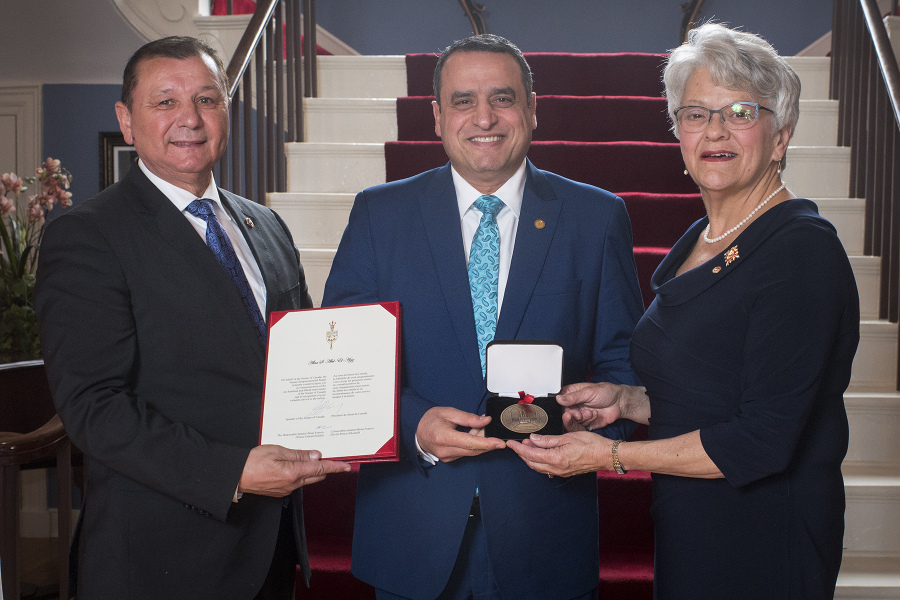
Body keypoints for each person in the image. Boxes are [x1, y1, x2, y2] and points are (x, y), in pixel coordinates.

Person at [508, 23, 860, 599]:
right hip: (694, 522)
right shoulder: (701, 239)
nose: (715, 130)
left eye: (740, 112)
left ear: (781, 135)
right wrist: (627, 402)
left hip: (764, 539)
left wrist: (612, 454)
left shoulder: (801, 251)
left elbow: (762, 439)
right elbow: (716, 392)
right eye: (696, 113)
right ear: (678, 131)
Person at [322, 34, 644, 600]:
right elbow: (343, 362)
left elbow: (622, 362)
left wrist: (595, 427)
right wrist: (415, 424)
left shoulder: (597, 217)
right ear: (437, 116)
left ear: (533, 109)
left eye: (503, 97)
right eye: (463, 100)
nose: (484, 117)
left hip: (545, 528)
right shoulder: (379, 213)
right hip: (412, 529)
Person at [35, 36, 350, 600]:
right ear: (126, 121)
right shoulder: (87, 236)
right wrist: (229, 473)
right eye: (166, 102)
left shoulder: (266, 227)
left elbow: (301, 363)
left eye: (208, 99)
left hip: (271, 545)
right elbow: (93, 407)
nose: (191, 118)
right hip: (161, 556)